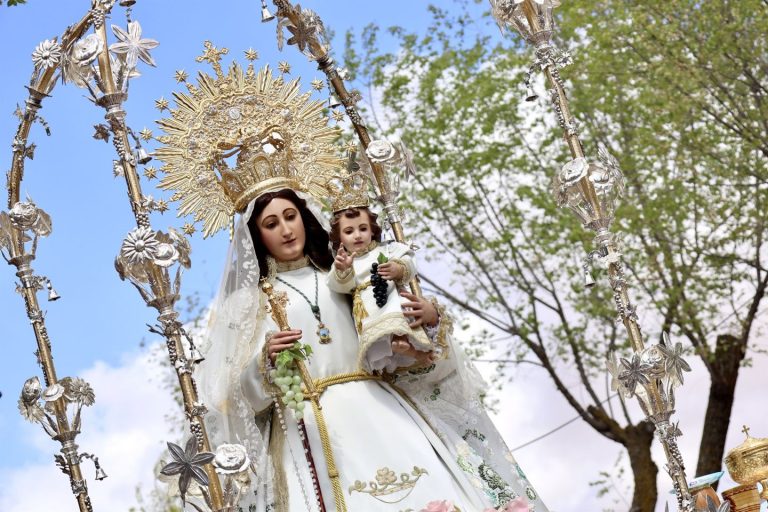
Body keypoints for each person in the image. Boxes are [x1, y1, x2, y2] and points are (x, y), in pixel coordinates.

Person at [199, 188, 548, 512]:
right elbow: (230, 400)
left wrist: (427, 320)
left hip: (381, 406)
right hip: (310, 427)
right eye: (271, 224)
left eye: (290, 217)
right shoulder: (250, 304)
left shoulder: (348, 273)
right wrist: (264, 363)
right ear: (257, 237)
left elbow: (396, 337)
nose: (286, 230)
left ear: (305, 219)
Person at [327, 201, 433, 373]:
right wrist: (343, 270)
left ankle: (410, 347)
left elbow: (409, 260)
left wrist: (398, 269)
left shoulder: (386, 249)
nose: (357, 235)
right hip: (367, 306)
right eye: (349, 231)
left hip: (389, 294)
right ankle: (394, 353)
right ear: (339, 238)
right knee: (378, 340)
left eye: (363, 228)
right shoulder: (344, 261)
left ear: (372, 230)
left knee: (397, 312)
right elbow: (337, 286)